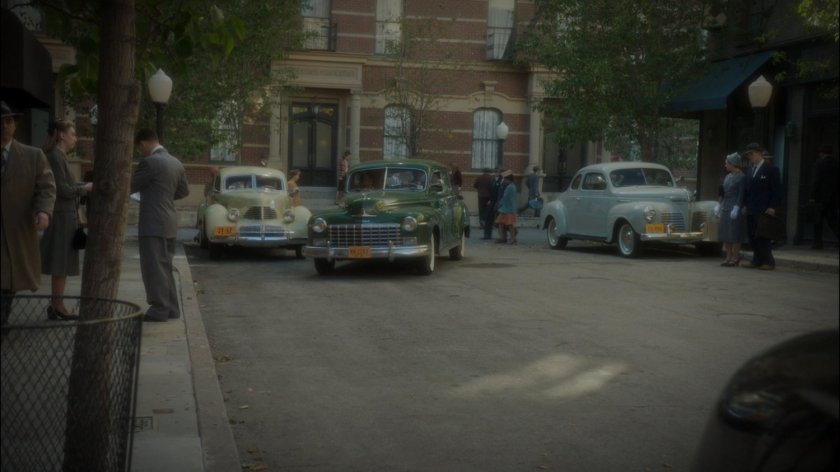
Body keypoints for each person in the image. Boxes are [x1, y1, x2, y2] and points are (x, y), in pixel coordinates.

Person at [1, 101, 57, 325]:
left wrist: (43, 211)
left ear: (14, 125)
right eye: (0, 122)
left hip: (16, 232)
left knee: (8, 283)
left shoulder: (33, 156)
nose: (4, 127)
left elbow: (46, 188)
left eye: (8, 121)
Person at [131, 129, 189, 322]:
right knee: (165, 267)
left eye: (139, 148)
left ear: (143, 143)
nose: (140, 152)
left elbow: (129, 186)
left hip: (152, 223)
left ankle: (159, 309)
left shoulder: (149, 162)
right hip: (169, 221)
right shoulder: (176, 162)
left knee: (154, 268)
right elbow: (183, 191)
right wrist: (163, 196)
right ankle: (171, 308)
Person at [39, 120, 93, 320]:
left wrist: (82, 186)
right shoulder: (54, 156)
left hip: (66, 215)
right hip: (61, 217)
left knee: (62, 264)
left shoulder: (59, 156)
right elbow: (62, 189)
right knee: (60, 263)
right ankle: (57, 305)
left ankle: (56, 304)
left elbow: (67, 185)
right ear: (61, 135)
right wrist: (84, 188)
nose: (75, 138)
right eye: (72, 134)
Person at [741, 142, 782, 270]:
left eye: (751, 154)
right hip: (751, 207)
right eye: (748, 155)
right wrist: (745, 205)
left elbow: (776, 190)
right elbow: (747, 190)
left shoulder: (771, 169)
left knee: (762, 235)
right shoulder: (749, 170)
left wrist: (773, 206)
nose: (750, 157)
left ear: (759, 153)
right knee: (752, 235)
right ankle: (756, 260)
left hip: (764, 208)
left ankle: (768, 261)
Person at [717, 152, 746, 267]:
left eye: (727, 163)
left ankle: (735, 256)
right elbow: (722, 192)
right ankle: (728, 256)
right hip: (725, 205)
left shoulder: (741, 177)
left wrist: (737, 206)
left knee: (735, 233)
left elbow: (741, 193)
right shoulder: (727, 176)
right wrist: (719, 204)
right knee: (725, 233)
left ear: (732, 164)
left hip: (735, 207)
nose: (725, 165)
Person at [809, 144, 838, 249]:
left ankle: (817, 243)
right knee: (833, 221)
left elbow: (816, 181)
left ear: (821, 153)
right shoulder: (836, 164)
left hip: (820, 198)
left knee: (817, 221)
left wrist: (812, 195)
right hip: (833, 198)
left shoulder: (819, 164)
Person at [495, 173, 518, 244]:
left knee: (509, 224)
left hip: (508, 209)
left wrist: (499, 203)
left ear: (508, 179)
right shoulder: (512, 186)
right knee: (501, 223)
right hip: (507, 208)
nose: (504, 180)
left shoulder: (510, 187)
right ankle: (502, 237)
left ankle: (512, 238)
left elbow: (506, 197)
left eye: (505, 179)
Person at [483, 168, 503, 240]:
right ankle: (487, 235)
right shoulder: (493, 180)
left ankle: (509, 233)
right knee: (488, 218)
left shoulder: (501, 181)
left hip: (497, 201)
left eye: (498, 172)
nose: (496, 173)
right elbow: (490, 190)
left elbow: (499, 192)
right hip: (491, 201)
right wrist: (489, 199)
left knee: (500, 219)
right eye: (495, 171)